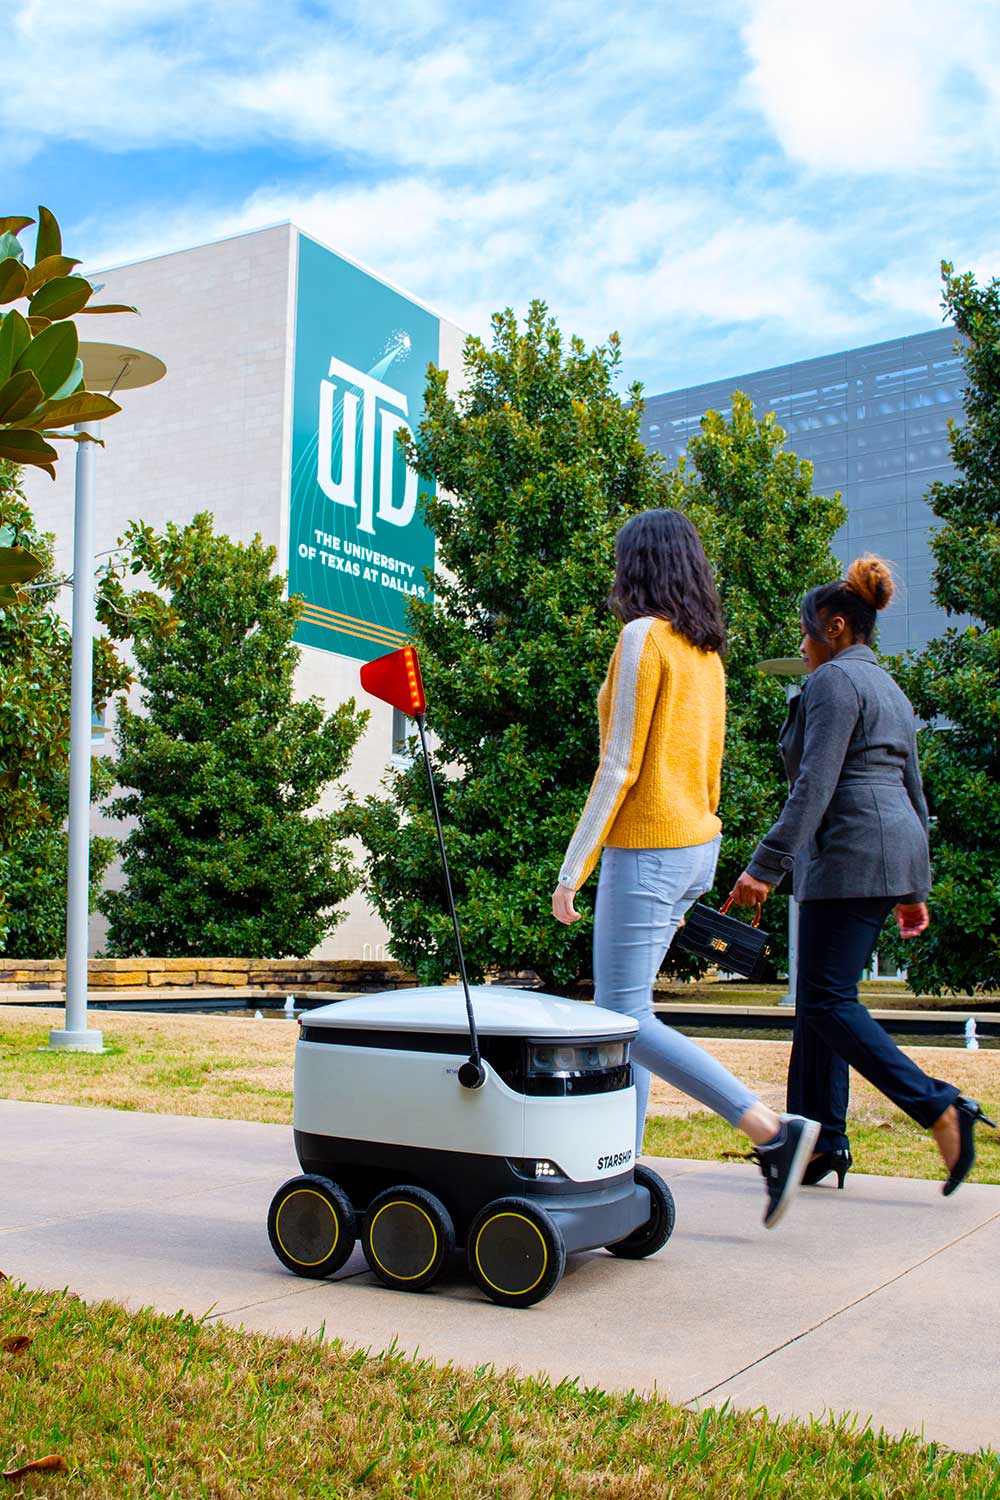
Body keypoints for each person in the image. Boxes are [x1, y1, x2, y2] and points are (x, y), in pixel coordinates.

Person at [552, 508, 819, 1230]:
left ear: (636, 565)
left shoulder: (643, 638)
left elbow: (619, 765)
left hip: (648, 847)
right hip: (694, 844)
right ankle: (622, 1169)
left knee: (623, 1015)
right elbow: (709, 766)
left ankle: (772, 1130)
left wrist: (573, 868)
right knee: (630, 1009)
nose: (613, 574)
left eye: (618, 560)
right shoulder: (706, 653)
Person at [730, 555, 994, 1195]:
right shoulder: (890, 689)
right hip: (885, 853)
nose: (801, 644)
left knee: (825, 999)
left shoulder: (833, 684)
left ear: (837, 626)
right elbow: (914, 791)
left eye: (806, 633)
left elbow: (814, 785)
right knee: (821, 1003)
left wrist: (765, 866)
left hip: (848, 853)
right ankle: (819, 1141)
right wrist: (912, 888)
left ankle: (937, 1105)